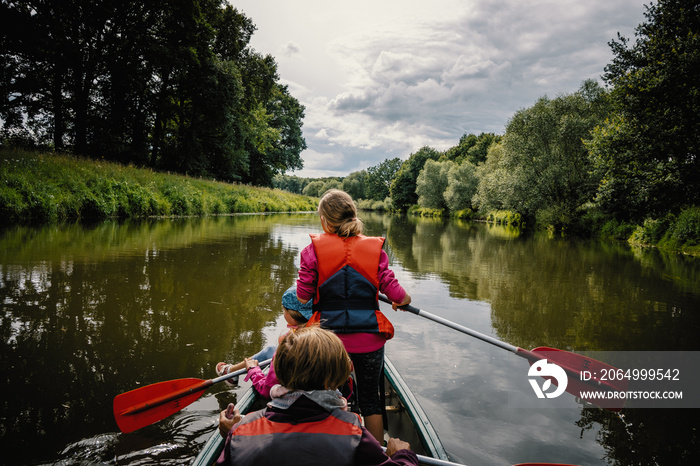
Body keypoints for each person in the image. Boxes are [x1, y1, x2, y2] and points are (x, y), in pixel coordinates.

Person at [296, 189, 412, 443]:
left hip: (327, 343)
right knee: (371, 400)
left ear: (325, 221)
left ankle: (329, 447)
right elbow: (399, 296)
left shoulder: (311, 252)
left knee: (323, 396)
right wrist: (399, 301)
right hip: (368, 340)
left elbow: (303, 296)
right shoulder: (375, 250)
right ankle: (374, 455)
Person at [217, 325, 419, 466]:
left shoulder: (241, 431)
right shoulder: (353, 433)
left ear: (279, 372)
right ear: (334, 380)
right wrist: (402, 455)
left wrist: (232, 434)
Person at [215, 285, 312, 398]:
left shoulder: (289, 345)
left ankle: (230, 371)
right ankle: (231, 371)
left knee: (270, 354)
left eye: (283, 310)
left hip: (293, 394)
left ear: (290, 313)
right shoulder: (315, 330)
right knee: (270, 350)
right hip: (305, 386)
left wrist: (253, 370)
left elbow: (266, 389)